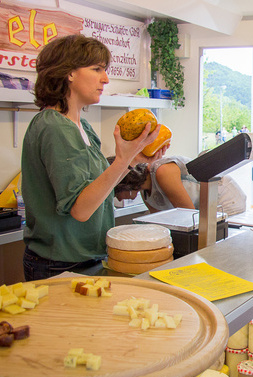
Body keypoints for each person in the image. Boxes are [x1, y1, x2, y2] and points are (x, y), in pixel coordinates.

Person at [20, 35, 163, 281]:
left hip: (86, 257)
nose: (105, 79)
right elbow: (81, 209)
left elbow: (96, 187)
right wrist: (122, 160)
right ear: (69, 73)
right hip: (59, 264)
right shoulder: (54, 127)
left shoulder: (81, 126)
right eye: (96, 69)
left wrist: (133, 159)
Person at [113, 155, 247, 216]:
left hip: (222, 197)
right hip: (201, 208)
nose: (118, 200)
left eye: (115, 193)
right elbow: (160, 222)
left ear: (124, 184)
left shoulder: (162, 172)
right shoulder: (145, 192)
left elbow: (187, 216)